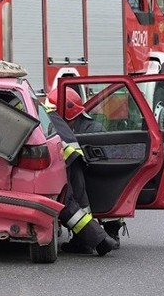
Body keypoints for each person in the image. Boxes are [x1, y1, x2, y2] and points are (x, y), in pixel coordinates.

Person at [47, 87, 126, 247]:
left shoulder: (85, 130)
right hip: (93, 181)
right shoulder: (89, 127)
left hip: (94, 181)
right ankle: (97, 236)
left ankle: (96, 237)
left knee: (73, 201)